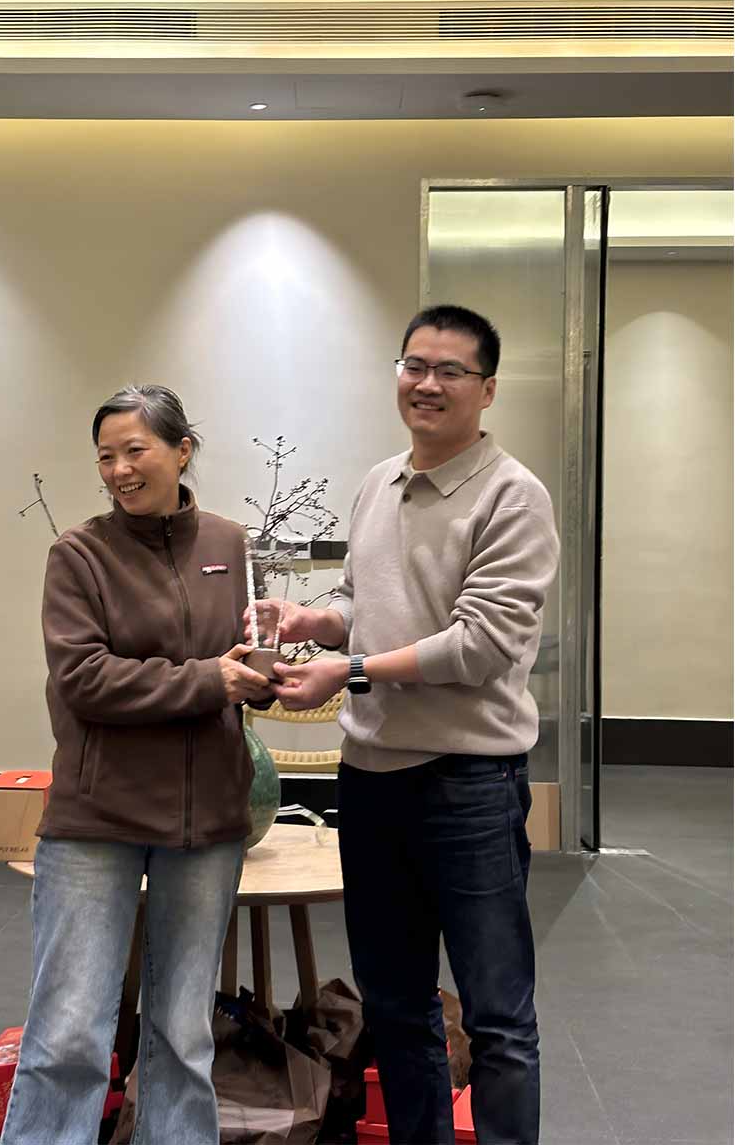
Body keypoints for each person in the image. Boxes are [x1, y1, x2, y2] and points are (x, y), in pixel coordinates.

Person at [249, 305, 560, 1145]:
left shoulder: (513, 496)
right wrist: (315, 622)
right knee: (395, 1003)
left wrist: (348, 671)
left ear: (486, 389)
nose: (427, 383)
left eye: (451, 370)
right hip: (372, 779)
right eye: (414, 365)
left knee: (497, 1014)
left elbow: (480, 645)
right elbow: (364, 603)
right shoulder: (379, 482)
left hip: (468, 784)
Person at [2, 384, 272, 1145]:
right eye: (105, 457)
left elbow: (239, 658)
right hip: (99, 818)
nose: (118, 470)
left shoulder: (229, 543)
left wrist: (263, 671)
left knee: (185, 1036)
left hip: (207, 821)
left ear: (182, 451)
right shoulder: (79, 554)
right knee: (68, 1036)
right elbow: (83, 678)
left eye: (134, 450)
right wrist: (209, 680)